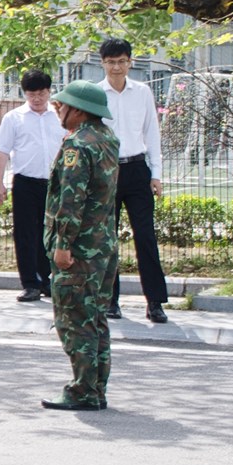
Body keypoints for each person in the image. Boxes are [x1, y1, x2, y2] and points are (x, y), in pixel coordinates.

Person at [42, 81, 122, 410]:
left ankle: (84, 391)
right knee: (96, 318)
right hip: (103, 245)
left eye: (62, 105)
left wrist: (62, 244)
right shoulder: (106, 139)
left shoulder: (77, 145)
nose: (57, 109)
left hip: (79, 249)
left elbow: (71, 200)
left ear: (78, 110)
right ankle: (96, 387)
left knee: (74, 319)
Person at [99, 38, 170, 323]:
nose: (116, 67)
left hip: (137, 168)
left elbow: (152, 133)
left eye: (121, 61)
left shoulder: (142, 92)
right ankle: (109, 300)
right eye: (111, 62)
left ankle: (155, 302)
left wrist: (156, 174)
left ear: (130, 62)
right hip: (106, 171)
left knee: (145, 236)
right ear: (102, 63)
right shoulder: (95, 93)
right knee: (107, 239)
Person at [0, 69, 67, 303]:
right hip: (25, 182)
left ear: (49, 92)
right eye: (32, 94)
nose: (37, 99)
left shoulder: (59, 116)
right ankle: (30, 283)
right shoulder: (14, 118)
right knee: (26, 233)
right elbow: (2, 151)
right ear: (24, 93)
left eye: (42, 93)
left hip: (55, 183)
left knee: (51, 233)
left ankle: (47, 279)